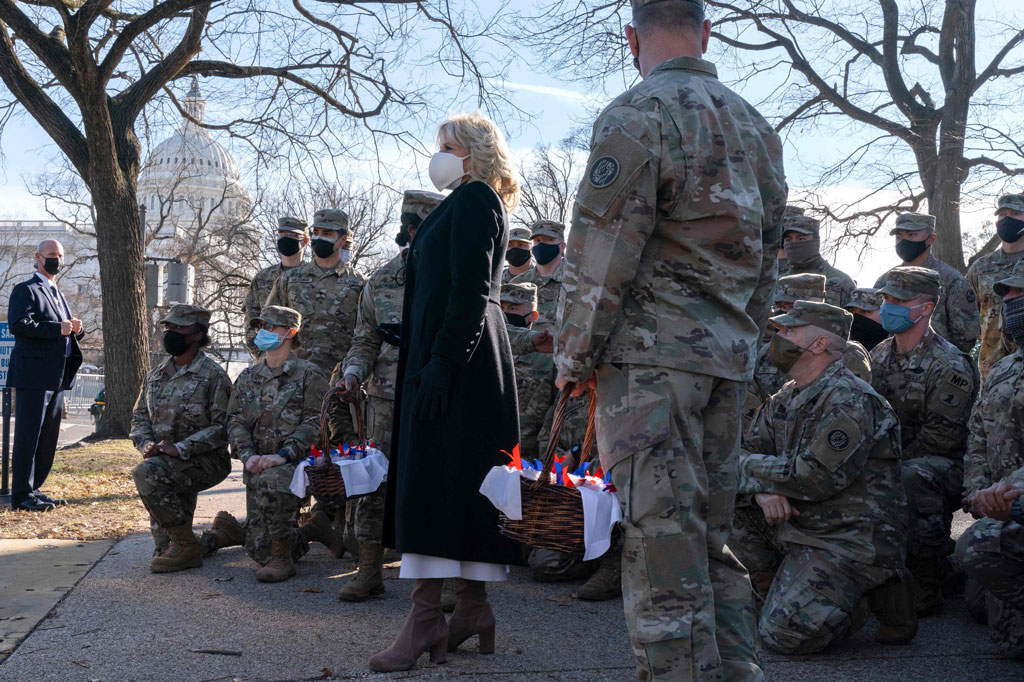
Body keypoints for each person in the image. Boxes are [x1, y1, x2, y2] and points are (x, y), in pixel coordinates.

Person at [553, 1, 787, 679]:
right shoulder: (755, 126)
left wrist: (574, 356)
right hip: (726, 362)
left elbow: (602, 253)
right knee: (710, 542)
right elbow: (770, 258)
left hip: (652, 366)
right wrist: (742, 338)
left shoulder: (638, 113)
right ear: (706, 31)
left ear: (632, 37)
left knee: (661, 547)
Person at [371, 112, 522, 673]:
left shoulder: (477, 197)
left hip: (459, 355)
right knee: (457, 478)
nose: (438, 154)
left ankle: (427, 618)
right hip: (457, 352)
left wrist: (441, 361)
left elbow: (471, 287)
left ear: (475, 152)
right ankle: (472, 611)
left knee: (436, 478)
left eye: (448, 145)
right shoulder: (465, 199)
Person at [734, 301, 915, 654]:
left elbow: (813, 478)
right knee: (717, 503)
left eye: (789, 331)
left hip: (847, 536)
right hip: (800, 523)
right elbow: (742, 450)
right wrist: (761, 492)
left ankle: (875, 590)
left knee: (783, 637)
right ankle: (784, 587)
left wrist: (758, 477)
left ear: (818, 345)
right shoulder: (788, 396)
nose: (778, 337)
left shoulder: (850, 400)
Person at [333, 189, 444, 602]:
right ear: (410, 231)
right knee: (374, 483)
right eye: (423, 230)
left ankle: (443, 578)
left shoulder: (455, 280)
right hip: (385, 399)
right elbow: (364, 340)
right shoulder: (381, 282)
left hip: (439, 399)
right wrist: (351, 374)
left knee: (437, 484)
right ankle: (369, 569)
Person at [870, 267, 979, 614]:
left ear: (927, 308)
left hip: (944, 465)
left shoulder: (949, 364)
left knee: (912, 477)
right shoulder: (879, 356)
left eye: (900, 301)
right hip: (894, 458)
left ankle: (927, 581)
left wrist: (886, 467)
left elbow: (940, 439)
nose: (890, 307)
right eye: (886, 299)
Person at [218, 305, 339, 582]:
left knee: (272, 484)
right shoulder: (248, 377)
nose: (263, 332)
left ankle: (283, 558)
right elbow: (234, 420)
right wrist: (247, 455)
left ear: (290, 333)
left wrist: (284, 454)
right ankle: (313, 530)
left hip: (298, 466)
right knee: (258, 551)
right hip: (258, 468)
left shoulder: (309, 374)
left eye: (271, 327)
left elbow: (316, 423)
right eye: (261, 326)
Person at [130, 304, 232, 572]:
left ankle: (186, 546)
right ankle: (220, 537)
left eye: (178, 327)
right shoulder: (155, 376)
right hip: (164, 462)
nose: (171, 332)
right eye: (169, 327)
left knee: (146, 474)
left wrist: (182, 448)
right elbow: (139, 418)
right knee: (164, 552)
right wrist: (146, 444)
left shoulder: (214, 376)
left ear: (197, 334)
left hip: (206, 461)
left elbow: (224, 427)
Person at [956, 260, 1024, 659]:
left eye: (1018, 294)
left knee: (976, 551)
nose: (1009, 302)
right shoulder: (1003, 368)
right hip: (999, 508)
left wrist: (1010, 490)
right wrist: (977, 494)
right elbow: (978, 434)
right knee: (983, 612)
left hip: (1015, 501)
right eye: (1007, 296)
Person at [6, 239, 84, 512]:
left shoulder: (57, 293)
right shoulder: (26, 289)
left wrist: (76, 330)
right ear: (38, 257)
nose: (57, 259)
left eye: (60, 255)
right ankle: (21, 495)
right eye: (52, 255)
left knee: (47, 439)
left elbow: (62, 329)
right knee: (28, 437)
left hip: (57, 377)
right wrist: (58, 328)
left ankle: (34, 489)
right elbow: (19, 324)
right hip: (33, 376)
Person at [745, 274, 871, 430]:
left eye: (790, 306)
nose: (784, 313)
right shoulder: (782, 388)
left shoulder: (848, 365)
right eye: (780, 306)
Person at [266, 208, 366, 377]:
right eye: (316, 232)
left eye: (327, 233)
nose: (319, 238)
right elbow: (269, 326)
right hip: (292, 380)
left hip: (338, 381)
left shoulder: (359, 283)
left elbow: (365, 337)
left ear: (342, 240)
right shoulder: (289, 279)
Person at [873, 213, 979, 354]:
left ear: (931, 239)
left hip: (938, 367)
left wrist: (941, 359)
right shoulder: (885, 280)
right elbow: (874, 327)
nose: (903, 241)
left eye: (911, 235)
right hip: (889, 365)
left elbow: (966, 336)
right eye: (899, 237)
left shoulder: (951, 280)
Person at [510, 219, 567, 460]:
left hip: (562, 382)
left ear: (562, 246)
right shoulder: (515, 285)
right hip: (523, 382)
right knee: (517, 452)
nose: (541, 245)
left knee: (554, 454)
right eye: (537, 241)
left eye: (548, 241)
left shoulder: (576, 282)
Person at [967, 193, 1024, 377]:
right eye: (1002, 215)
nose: (1007, 219)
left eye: (1015, 214)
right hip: (991, 369)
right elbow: (970, 317)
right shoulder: (981, 268)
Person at [242, 216, 309, 356]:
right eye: (282, 234)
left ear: (305, 241)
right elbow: (251, 321)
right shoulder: (262, 278)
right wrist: (262, 356)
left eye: (292, 235)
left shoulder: (312, 278)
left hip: (304, 362)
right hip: (269, 361)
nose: (286, 239)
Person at [780, 210, 856, 307]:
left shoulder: (841, 281)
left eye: (801, 239)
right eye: (788, 240)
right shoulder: (778, 281)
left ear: (816, 241)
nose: (793, 244)